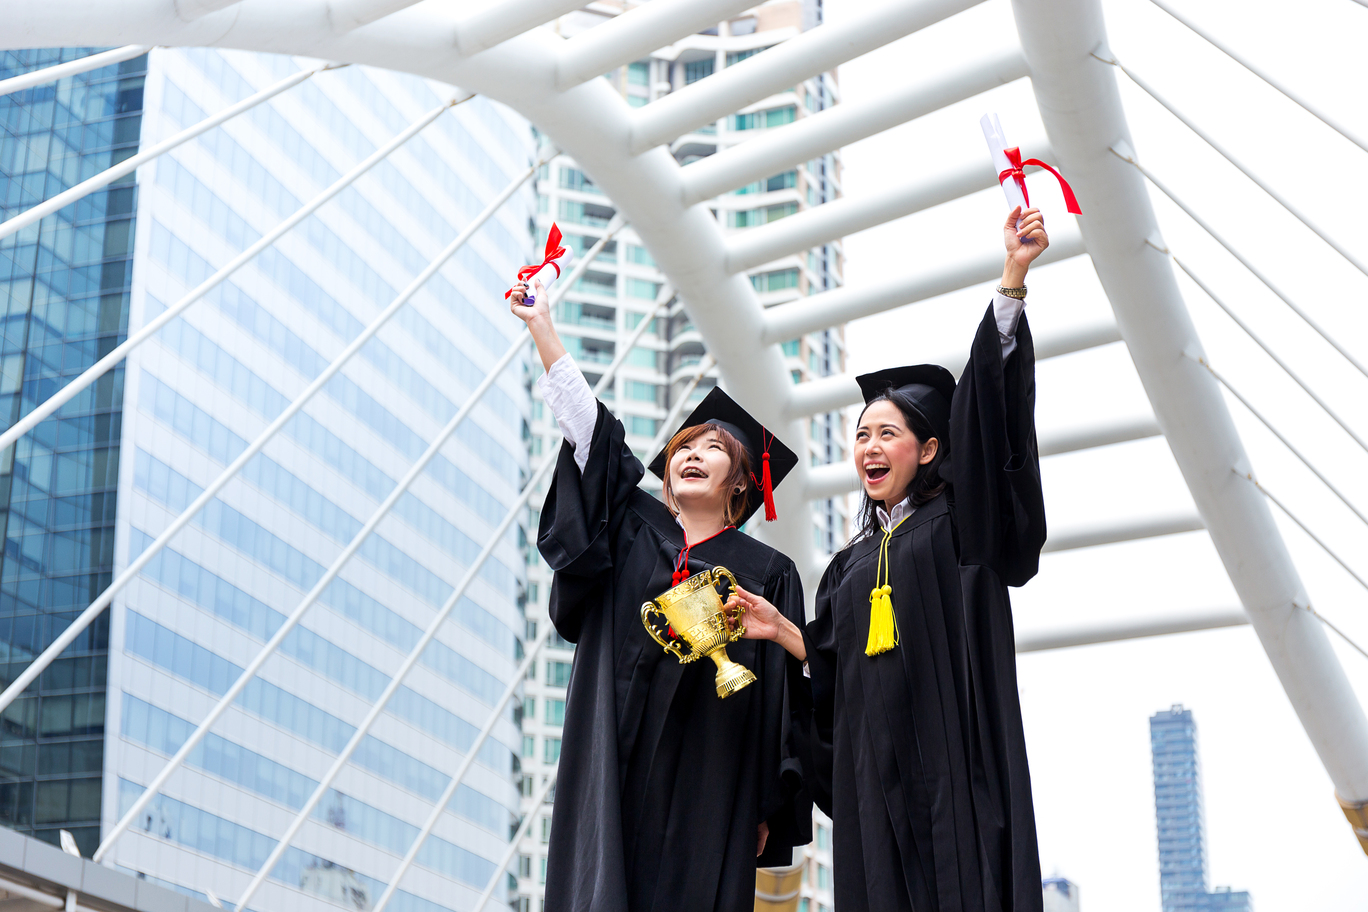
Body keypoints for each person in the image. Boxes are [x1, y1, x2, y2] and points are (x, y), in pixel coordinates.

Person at [738, 205, 1052, 911]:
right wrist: (781, 631)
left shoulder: (962, 529)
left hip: (956, 773)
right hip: (876, 790)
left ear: (932, 448)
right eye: (860, 437)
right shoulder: (848, 568)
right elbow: (833, 679)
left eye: (888, 433)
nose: (869, 448)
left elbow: (993, 426)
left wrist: (1011, 281)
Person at [508, 278, 812, 912]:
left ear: (743, 484)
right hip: (609, 758)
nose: (692, 455)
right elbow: (593, 439)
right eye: (684, 447)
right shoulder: (631, 529)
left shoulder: (768, 572)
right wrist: (543, 330)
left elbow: (782, 703)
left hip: (709, 780)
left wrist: (763, 806)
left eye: (713, 450)